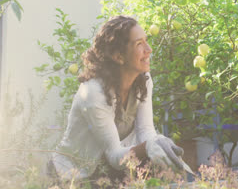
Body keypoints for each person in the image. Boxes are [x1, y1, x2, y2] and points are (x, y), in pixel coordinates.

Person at [48, 16, 185, 182]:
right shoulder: (93, 92)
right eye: (139, 44)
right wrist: (148, 147)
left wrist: (157, 142)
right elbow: (114, 155)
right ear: (118, 56)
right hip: (72, 175)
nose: (149, 49)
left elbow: (145, 130)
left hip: (108, 171)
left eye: (146, 41)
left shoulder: (144, 80)